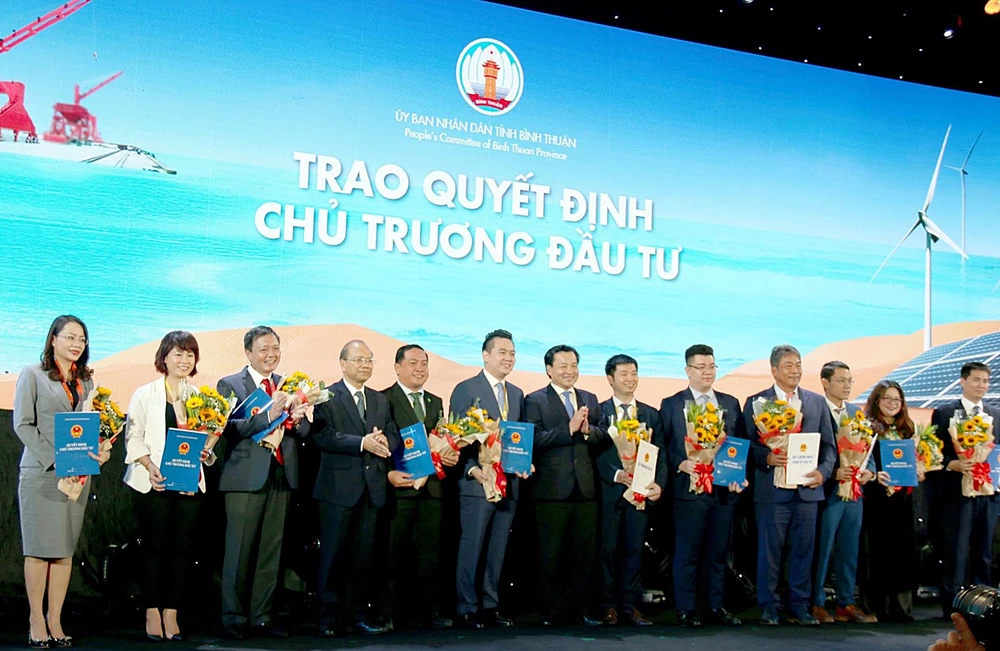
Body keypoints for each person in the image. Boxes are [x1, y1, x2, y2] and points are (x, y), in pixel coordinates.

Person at [14, 315, 111, 648]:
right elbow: (23, 424)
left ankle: (55, 619)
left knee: (64, 551)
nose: (76, 344)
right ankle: (35, 620)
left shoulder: (86, 380)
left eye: (82, 339)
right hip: (42, 472)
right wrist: (54, 459)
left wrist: (102, 449)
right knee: (39, 550)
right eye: (70, 337)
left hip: (78, 475)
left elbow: (93, 426)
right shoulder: (33, 374)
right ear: (53, 339)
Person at [123, 331, 219, 641]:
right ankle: (152, 610)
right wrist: (149, 466)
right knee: (153, 548)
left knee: (182, 550)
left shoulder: (200, 397)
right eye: (178, 353)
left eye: (190, 354)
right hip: (153, 483)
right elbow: (133, 437)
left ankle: (172, 612)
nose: (184, 360)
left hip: (188, 485)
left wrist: (207, 453)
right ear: (164, 358)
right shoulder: (145, 394)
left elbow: (205, 442)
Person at [217, 326, 309, 640]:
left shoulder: (289, 385)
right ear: (248, 353)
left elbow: (304, 433)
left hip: (282, 474)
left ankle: (261, 616)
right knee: (239, 550)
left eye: (275, 348)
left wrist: (299, 418)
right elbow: (229, 429)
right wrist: (269, 415)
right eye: (263, 349)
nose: (271, 355)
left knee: (272, 549)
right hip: (245, 477)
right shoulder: (230, 384)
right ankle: (233, 616)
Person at [740, 344, 836, 626]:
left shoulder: (816, 402)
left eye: (798, 365)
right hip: (772, 491)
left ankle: (799, 606)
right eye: (788, 366)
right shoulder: (756, 402)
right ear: (774, 370)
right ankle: (769, 606)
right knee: (769, 552)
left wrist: (823, 473)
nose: (795, 371)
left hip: (807, 490)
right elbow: (746, 445)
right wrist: (767, 457)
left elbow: (829, 447)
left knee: (803, 551)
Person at [312, 340, 400, 637]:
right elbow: (323, 436)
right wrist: (362, 443)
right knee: (333, 558)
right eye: (359, 359)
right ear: (342, 363)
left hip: (372, 490)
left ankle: (358, 615)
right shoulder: (326, 397)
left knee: (363, 559)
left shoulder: (380, 400)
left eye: (369, 360)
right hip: (337, 490)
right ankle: (329, 618)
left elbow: (393, 434)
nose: (365, 365)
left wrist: (386, 441)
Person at [661, 344, 745, 628]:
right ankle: (685, 609)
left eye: (711, 366)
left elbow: (738, 444)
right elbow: (664, 446)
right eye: (701, 367)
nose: (707, 372)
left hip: (722, 491)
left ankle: (715, 607)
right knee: (687, 553)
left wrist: (739, 474)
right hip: (688, 491)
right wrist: (680, 463)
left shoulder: (730, 403)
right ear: (688, 370)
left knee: (718, 554)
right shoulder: (672, 404)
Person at [526, 344, 608, 626]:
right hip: (551, 490)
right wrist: (568, 429)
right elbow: (533, 439)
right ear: (549, 369)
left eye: (574, 365)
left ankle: (580, 610)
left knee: (584, 554)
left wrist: (587, 432)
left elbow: (603, 434)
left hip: (585, 489)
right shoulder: (535, 400)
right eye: (563, 366)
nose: (569, 371)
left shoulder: (590, 398)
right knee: (550, 554)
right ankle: (550, 610)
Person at [450, 329, 525, 629]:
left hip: (508, 483)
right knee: (472, 546)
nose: (508, 358)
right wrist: (473, 469)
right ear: (485, 355)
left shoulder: (516, 394)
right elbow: (456, 437)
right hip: (477, 483)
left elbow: (518, 439)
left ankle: (490, 605)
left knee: (497, 549)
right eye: (502, 352)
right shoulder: (466, 389)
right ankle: (466, 607)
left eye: (512, 353)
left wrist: (522, 463)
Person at [379, 344, 456, 630]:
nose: (420, 368)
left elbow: (441, 441)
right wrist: (388, 473)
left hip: (432, 490)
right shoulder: (384, 399)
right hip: (400, 487)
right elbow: (381, 442)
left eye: (424, 363)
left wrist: (449, 454)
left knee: (429, 553)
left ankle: (427, 612)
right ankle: (388, 612)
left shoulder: (436, 401)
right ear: (397, 367)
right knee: (393, 553)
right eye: (413, 363)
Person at [596, 354, 663, 627]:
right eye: (624, 374)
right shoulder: (600, 412)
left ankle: (630, 606)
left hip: (640, 494)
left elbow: (661, 454)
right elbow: (594, 454)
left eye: (634, 373)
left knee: (635, 549)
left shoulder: (650, 414)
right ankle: (608, 606)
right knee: (608, 550)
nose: (630, 379)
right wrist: (616, 474)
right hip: (610, 493)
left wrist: (658, 484)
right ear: (610, 379)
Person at [811, 361, 877, 624]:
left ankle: (845, 602)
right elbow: (810, 449)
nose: (847, 385)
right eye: (841, 380)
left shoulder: (855, 412)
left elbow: (867, 448)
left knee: (850, 548)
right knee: (822, 549)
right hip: (828, 491)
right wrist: (832, 472)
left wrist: (869, 471)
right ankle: (815, 602)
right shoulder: (814, 410)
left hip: (854, 491)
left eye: (850, 380)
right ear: (825, 382)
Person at [933, 362, 1000, 618]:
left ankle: (985, 607)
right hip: (957, 494)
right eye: (976, 380)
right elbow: (934, 451)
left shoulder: (995, 414)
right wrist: (953, 464)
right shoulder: (944, 412)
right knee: (956, 550)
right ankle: (952, 607)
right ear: (963, 381)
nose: (981, 385)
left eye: (985, 381)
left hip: (989, 494)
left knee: (984, 551)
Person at [862, 380, 921, 621]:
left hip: (901, 501)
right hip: (876, 500)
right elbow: (860, 462)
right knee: (878, 552)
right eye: (887, 398)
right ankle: (878, 606)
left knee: (902, 552)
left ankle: (901, 608)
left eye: (897, 399)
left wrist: (919, 470)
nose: (892, 403)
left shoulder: (907, 429)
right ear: (877, 401)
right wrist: (875, 475)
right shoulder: (866, 429)